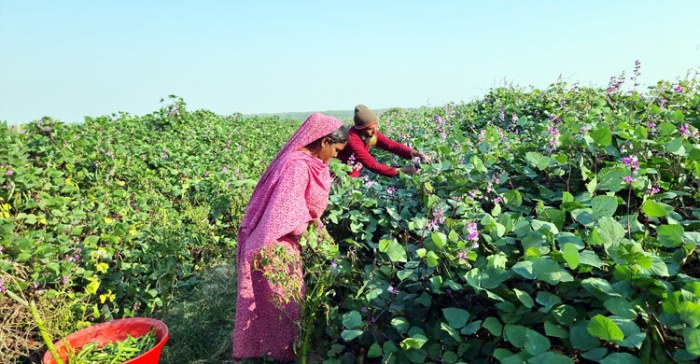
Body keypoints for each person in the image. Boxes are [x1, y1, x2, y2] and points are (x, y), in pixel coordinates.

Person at [232, 113, 348, 362]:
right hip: (272, 243)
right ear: (325, 142)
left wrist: (317, 232)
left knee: (285, 301)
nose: (336, 156)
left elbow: (301, 210)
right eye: (336, 150)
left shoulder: (303, 162)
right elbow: (286, 213)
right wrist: (314, 238)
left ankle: (284, 351)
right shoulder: (297, 166)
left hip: (279, 240)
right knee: (284, 304)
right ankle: (287, 355)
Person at [336, 104, 430, 178]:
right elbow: (372, 164)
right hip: (339, 177)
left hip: (352, 177)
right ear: (360, 129)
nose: (374, 132)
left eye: (375, 127)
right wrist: (401, 171)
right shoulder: (352, 140)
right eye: (369, 129)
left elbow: (390, 145)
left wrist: (414, 154)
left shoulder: (370, 133)